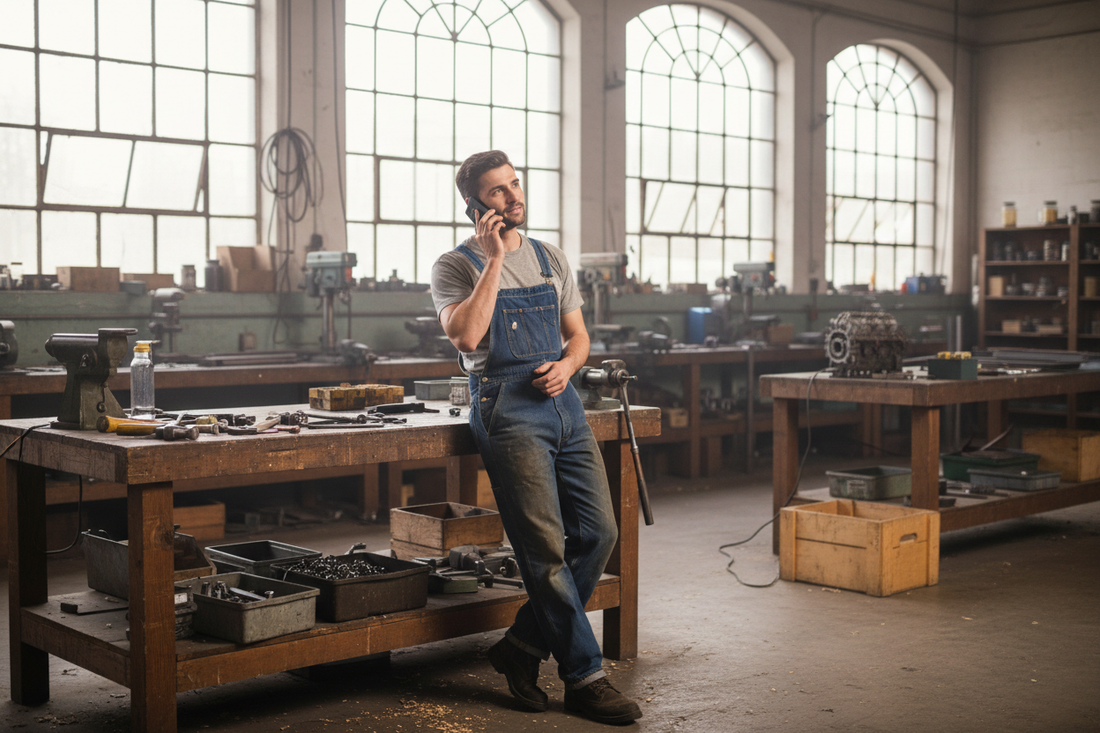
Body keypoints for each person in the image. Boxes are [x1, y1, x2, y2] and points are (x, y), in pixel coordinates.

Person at [430, 150, 643, 726]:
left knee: (599, 532)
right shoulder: (455, 266)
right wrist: (495, 258)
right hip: (506, 407)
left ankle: (521, 645)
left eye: (515, 185)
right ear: (476, 206)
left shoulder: (551, 257)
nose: (513, 197)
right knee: (544, 549)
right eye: (497, 192)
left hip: (562, 402)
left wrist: (568, 367)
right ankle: (585, 677)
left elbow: (579, 339)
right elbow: (469, 337)